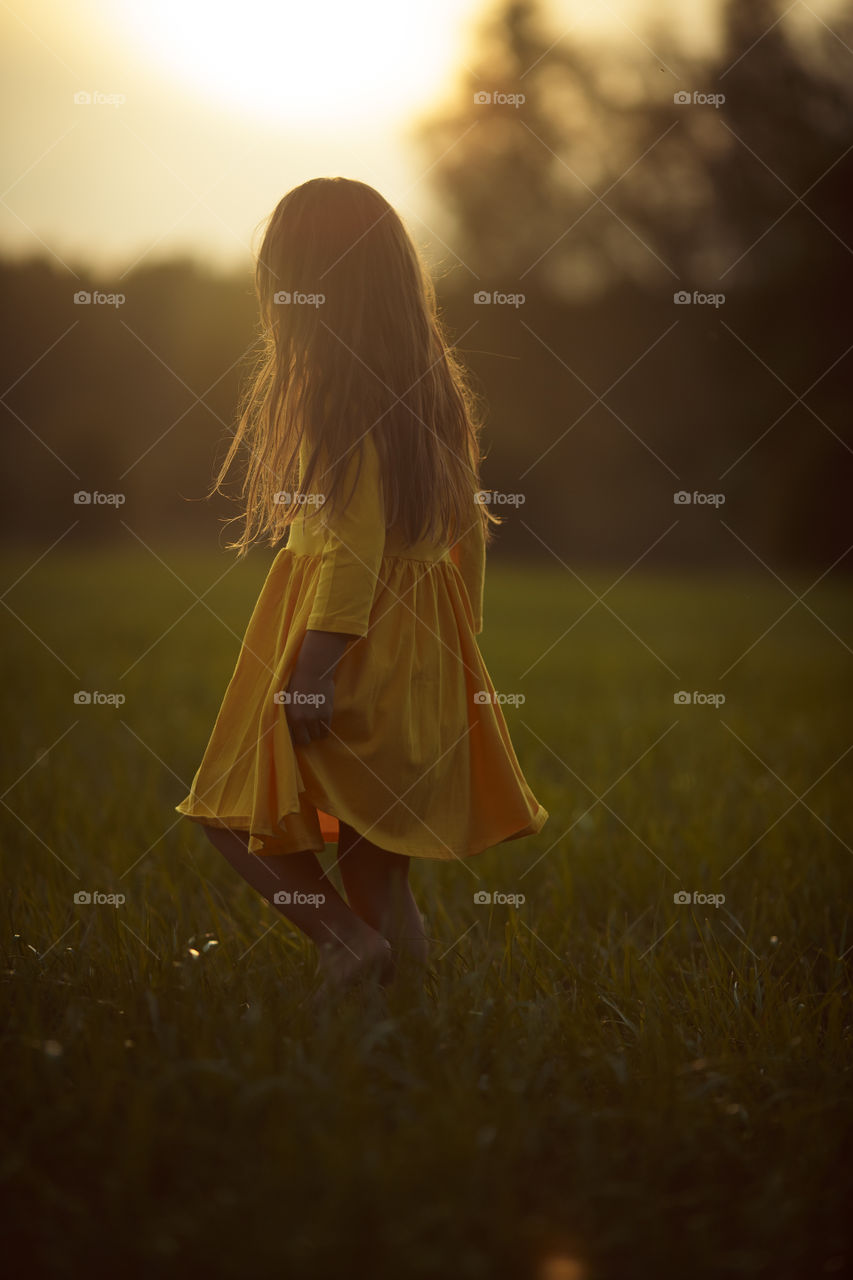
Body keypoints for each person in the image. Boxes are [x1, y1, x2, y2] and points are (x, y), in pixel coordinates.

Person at [175, 177, 548, 998]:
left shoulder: (337, 398)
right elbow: (467, 528)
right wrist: (459, 643)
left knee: (227, 813)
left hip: (344, 649)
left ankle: (344, 943)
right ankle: (400, 1026)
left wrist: (314, 668)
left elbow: (350, 549)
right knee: (381, 873)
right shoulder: (435, 393)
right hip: (421, 651)